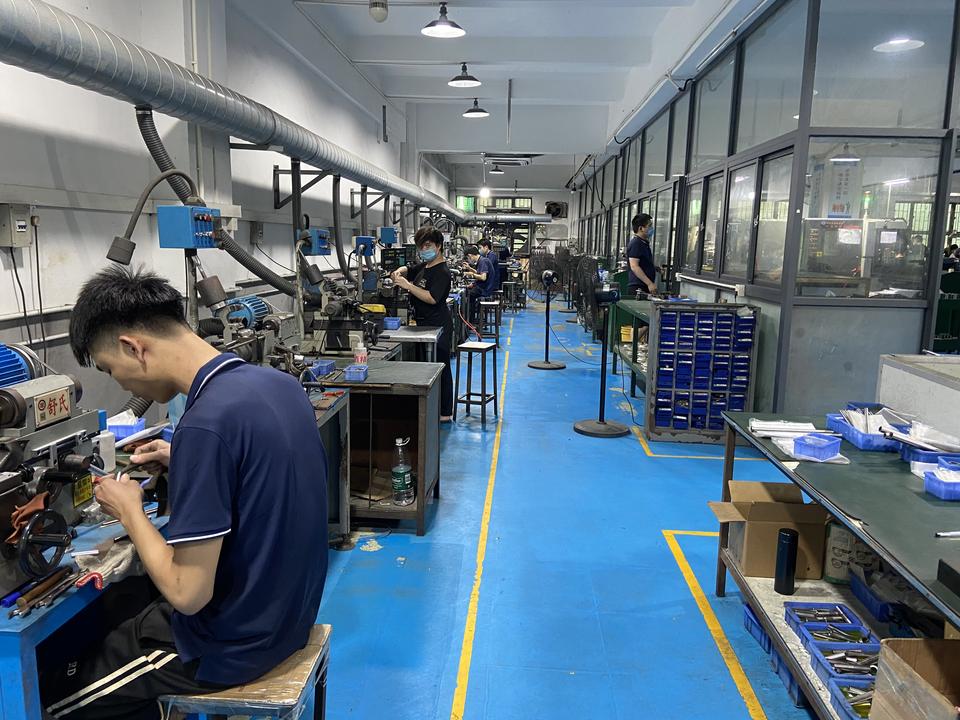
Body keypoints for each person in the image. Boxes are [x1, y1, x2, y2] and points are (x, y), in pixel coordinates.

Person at [46, 266, 328, 719]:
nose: (121, 384)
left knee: (55, 697)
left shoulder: (205, 424)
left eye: (112, 370)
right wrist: (186, 460)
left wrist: (130, 511)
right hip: (287, 617)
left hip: (232, 647)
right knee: (125, 605)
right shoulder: (279, 385)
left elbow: (187, 593)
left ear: (134, 347)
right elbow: (260, 474)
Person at [391, 227, 454, 421]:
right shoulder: (426, 266)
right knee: (426, 367)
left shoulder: (442, 272)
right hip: (423, 325)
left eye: (427, 245)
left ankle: (445, 411)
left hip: (438, 325)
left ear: (438, 246)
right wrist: (399, 271)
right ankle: (429, 406)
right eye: (421, 246)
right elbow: (410, 270)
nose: (424, 250)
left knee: (440, 367)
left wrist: (408, 286)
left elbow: (432, 297)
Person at [462, 244, 497, 324]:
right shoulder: (482, 260)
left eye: (468, 258)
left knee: (467, 294)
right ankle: (470, 319)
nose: (469, 260)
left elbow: (483, 277)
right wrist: (469, 269)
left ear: (470, 255)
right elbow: (479, 272)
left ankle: (470, 321)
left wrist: (471, 274)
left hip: (485, 289)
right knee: (468, 291)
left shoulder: (483, 261)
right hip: (484, 287)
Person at [627, 213, 657, 297]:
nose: (652, 228)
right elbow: (634, 266)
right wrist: (649, 283)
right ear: (641, 228)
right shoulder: (636, 243)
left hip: (644, 286)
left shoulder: (643, 243)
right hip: (638, 287)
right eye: (649, 226)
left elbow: (643, 263)